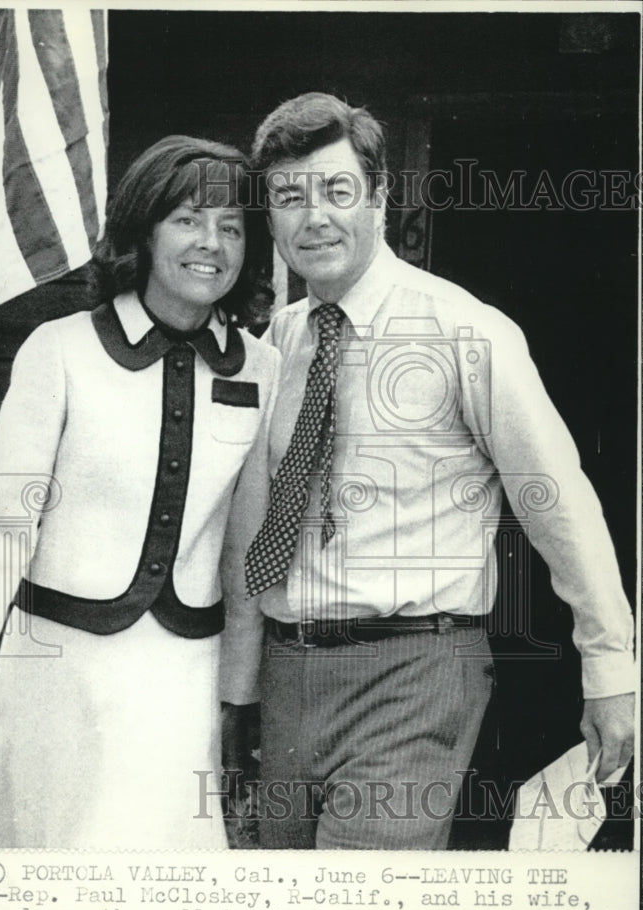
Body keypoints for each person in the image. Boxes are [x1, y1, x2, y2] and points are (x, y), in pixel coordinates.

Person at [220, 93, 635, 850]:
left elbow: (557, 504)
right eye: (289, 197)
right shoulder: (274, 345)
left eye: (337, 190)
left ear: (379, 198)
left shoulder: (464, 333)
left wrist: (609, 665)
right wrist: (240, 690)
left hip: (415, 669)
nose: (313, 217)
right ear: (271, 218)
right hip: (288, 677)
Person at [0, 135, 280, 849]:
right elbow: (2, 529)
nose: (210, 243)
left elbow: (245, 559)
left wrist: (239, 702)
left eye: (231, 227)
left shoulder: (264, 369)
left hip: (181, 685)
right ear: (144, 230)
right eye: (186, 219)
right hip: (53, 675)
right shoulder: (60, 350)